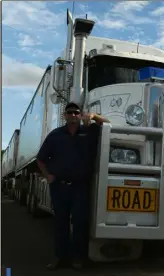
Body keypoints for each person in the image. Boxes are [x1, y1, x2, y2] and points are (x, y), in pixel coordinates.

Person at [36, 102, 110, 271]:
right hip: (59, 187)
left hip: (80, 187)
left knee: (80, 223)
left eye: (77, 112)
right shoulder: (55, 135)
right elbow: (41, 159)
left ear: (80, 114)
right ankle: (60, 258)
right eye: (70, 112)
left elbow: (108, 123)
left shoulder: (89, 131)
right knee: (60, 223)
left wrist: (93, 116)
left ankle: (78, 258)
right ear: (65, 115)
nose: (73, 115)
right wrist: (48, 176)